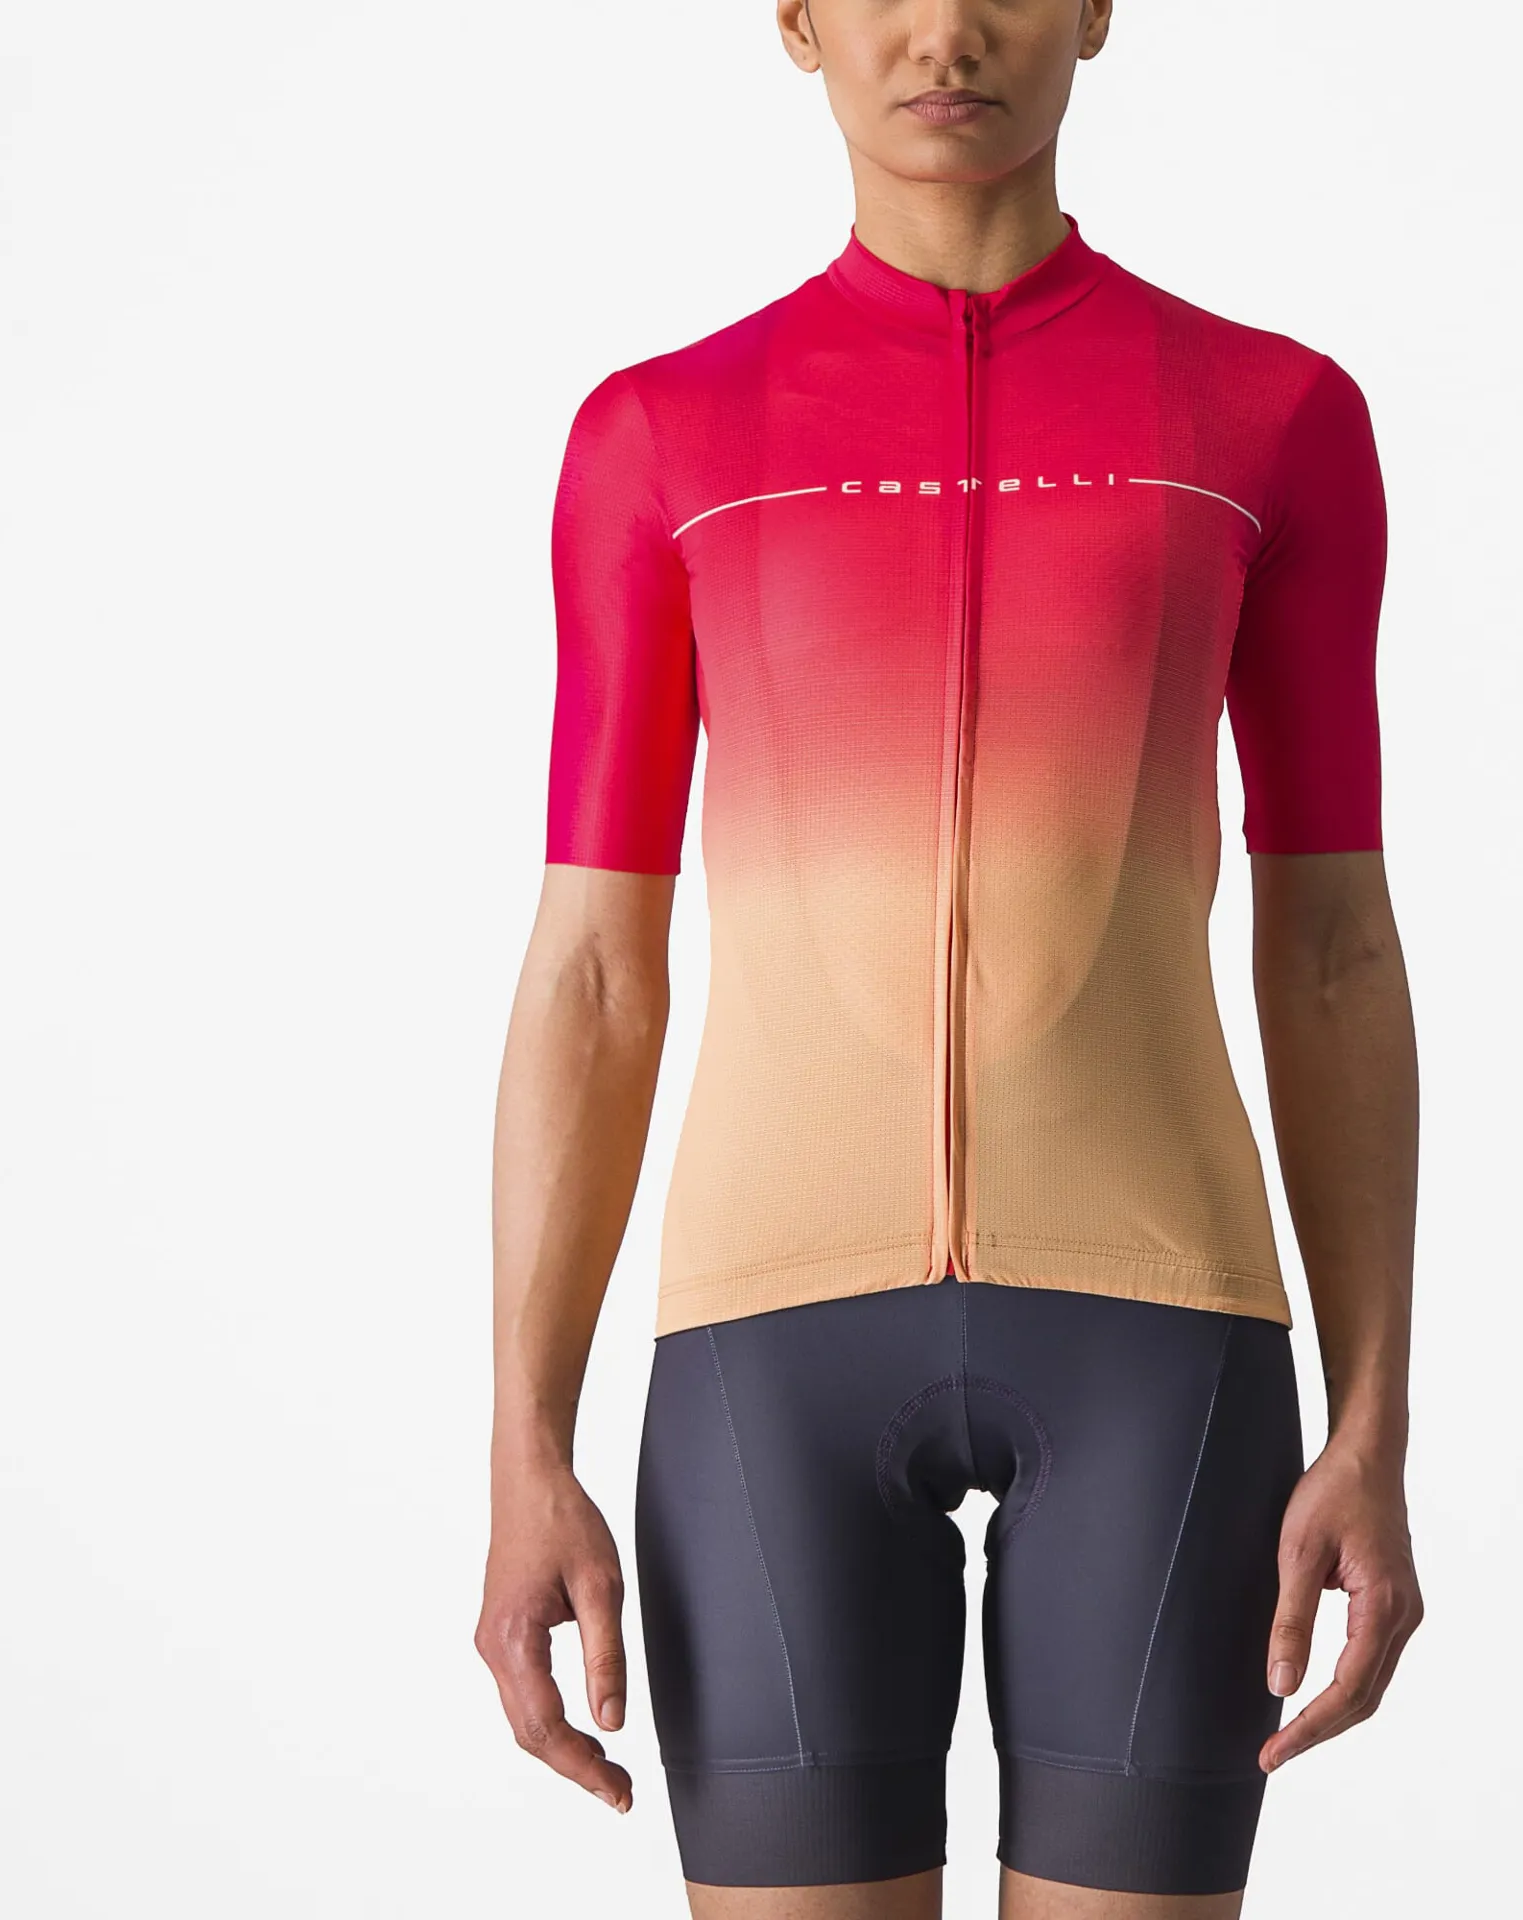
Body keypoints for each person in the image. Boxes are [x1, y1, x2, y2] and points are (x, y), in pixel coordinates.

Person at [476, 2, 1423, 1913]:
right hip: (769, 1350)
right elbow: (591, 971)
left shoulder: (1268, 415)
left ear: (1093, 11)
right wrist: (525, 1445)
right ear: (798, 23)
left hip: (1160, 1333)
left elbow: (1330, 945)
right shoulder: (662, 435)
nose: (946, 30)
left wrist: (1374, 1422)